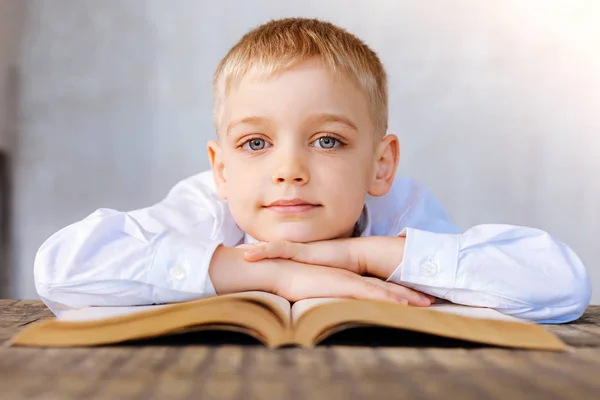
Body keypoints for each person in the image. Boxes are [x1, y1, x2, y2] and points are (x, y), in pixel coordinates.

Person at [34, 18, 591, 322]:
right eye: (255, 143)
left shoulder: (402, 212)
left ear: (380, 164)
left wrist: (354, 255)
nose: (290, 169)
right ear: (220, 169)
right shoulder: (205, 206)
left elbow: (559, 286)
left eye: (327, 140)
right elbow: (60, 269)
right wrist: (275, 274)